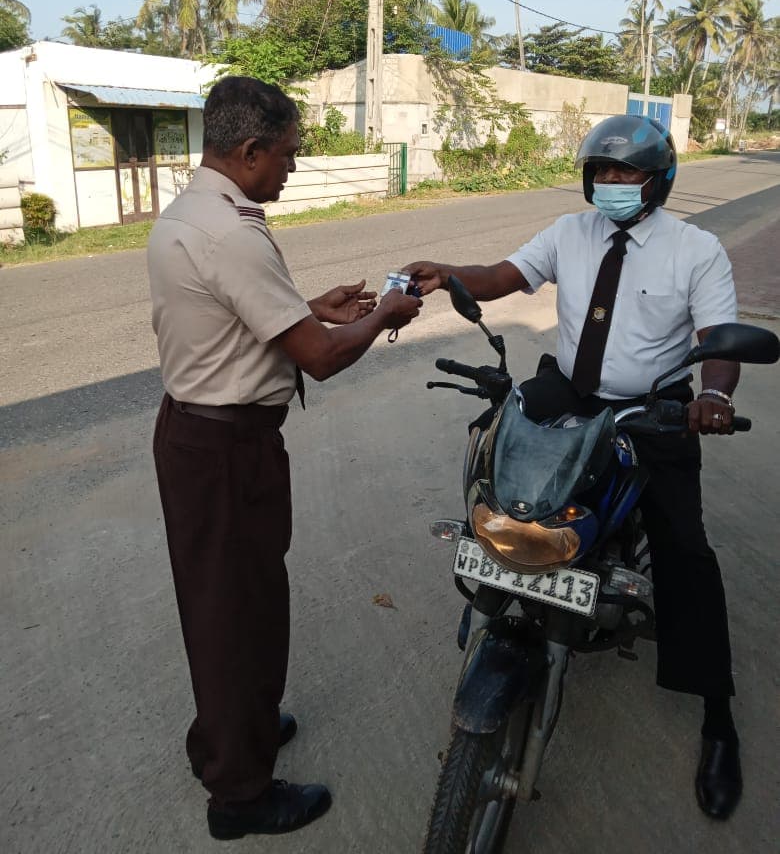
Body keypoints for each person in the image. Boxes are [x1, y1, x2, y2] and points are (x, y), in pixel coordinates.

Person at [405, 114, 743, 821]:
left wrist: (711, 394)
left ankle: (717, 717)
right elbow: (504, 275)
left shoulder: (697, 250)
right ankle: (502, 601)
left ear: (660, 179)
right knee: (499, 474)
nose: (613, 185)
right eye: (603, 173)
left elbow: (717, 337)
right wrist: (449, 274)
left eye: (629, 174)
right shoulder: (569, 232)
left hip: (653, 405)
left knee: (684, 551)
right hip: (568, 388)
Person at [147, 75, 421, 841]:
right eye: (289, 155)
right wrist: (385, 315)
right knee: (238, 612)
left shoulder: (196, 208)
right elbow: (322, 360)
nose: (293, 169)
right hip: (226, 447)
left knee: (220, 602)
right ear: (250, 150)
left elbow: (241, 317)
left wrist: (312, 308)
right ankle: (241, 795)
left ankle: (230, 736)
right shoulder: (230, 230)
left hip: (199, 434)